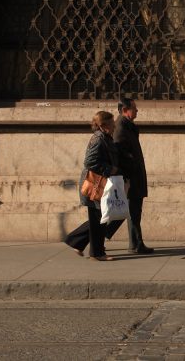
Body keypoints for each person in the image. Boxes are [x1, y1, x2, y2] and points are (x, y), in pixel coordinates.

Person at [64, 111, 123, 261]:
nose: (115, 125)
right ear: (103, 125)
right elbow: (89, 162)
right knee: (99, 219)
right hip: (95, 184)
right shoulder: (98, 138)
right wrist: (111, 169)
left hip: (100, 183)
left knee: (101, 217)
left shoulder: (105, 137)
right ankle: (96, 253)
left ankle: (78, 241)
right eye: (111, 123)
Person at [115, 97, 154, 254]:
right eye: (134, 108)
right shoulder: (121, 128)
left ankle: (136, 243)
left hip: (134, 176)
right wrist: (130, 169)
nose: (137, 111)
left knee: (134, 212)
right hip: (130, 178)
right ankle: (82, 238)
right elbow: (120, 152)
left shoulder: (129, 126)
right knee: (129, 212)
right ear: (125, 110)